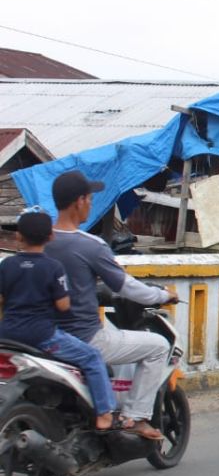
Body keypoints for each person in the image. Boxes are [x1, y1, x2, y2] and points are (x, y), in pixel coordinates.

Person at [46, 171, 175, 441]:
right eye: (90, 199)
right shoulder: (91, 245)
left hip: (44, 338)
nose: (92, 204)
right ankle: (135, 416)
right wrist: (162, 295)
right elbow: (125, 286)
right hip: (86, 338)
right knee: (159, 347)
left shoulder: (39, 242)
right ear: (79, 202)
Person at [0, 210, 115, 431]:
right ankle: (104, 413)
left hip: (7, 335)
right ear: (50, 237)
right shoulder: (53, 267)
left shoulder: (7, 265)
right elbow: (63, 306)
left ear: (18, 237)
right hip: (42, 336)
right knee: (92, 357)